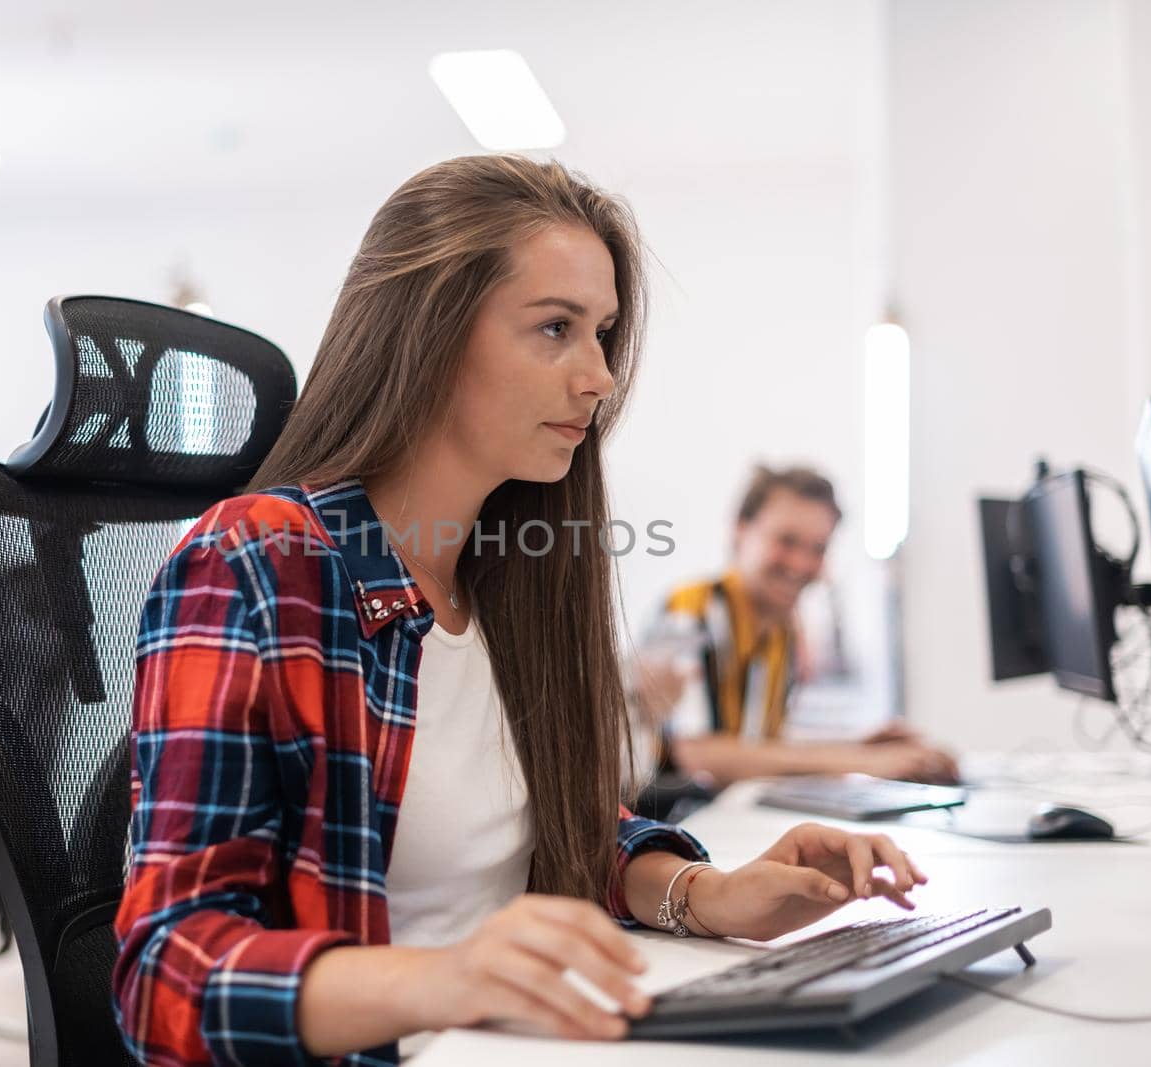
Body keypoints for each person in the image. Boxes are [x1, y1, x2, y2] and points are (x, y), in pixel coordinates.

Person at [113, 156, 928, 1067]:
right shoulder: (258, 564)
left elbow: (559, 834)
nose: (599, 378)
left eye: (603, 334)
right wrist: (449, 978)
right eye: (554, 329)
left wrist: (708, 892)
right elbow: (165, 975)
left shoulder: (508, 570)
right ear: (426, 334)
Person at [631, 465, 959, 790]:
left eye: (818, 548)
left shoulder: (781, 631)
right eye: (786, 541)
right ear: (740, 530)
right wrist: (858, 761)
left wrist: (859, 747)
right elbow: (698, 754)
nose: (801, 563)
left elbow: (754, 748)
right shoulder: (690, 610)